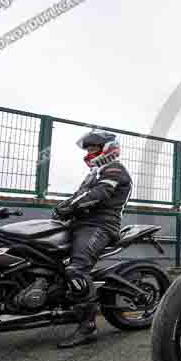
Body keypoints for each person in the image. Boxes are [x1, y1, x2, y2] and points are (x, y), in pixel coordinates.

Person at [50, 130, 133, 348]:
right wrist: (63, 207)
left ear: (107, 149)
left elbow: (97, 196)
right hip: (80, 225)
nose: (89, 152)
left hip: (101, 225)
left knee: (76, 269)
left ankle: (88, 327)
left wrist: (67, 207)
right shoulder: (95, 172)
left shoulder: (114, 169)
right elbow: (78, 196)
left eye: (93, 148)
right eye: (87, 149)